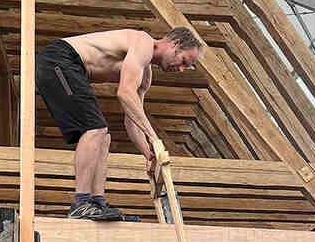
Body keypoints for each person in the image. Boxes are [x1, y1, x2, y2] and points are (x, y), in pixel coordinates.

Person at [35, 27, 202, 220]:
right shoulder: (143, 42)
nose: (180, 69)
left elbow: (132, 118)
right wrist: (154, 137)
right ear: (175, 44)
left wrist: (147, 154)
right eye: (183, 61)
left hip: (71, 69)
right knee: (95, 129)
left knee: (103, 137)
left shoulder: (145, 75)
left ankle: (97, 203)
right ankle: (81, 204)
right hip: (59, 60)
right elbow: (124, 93)